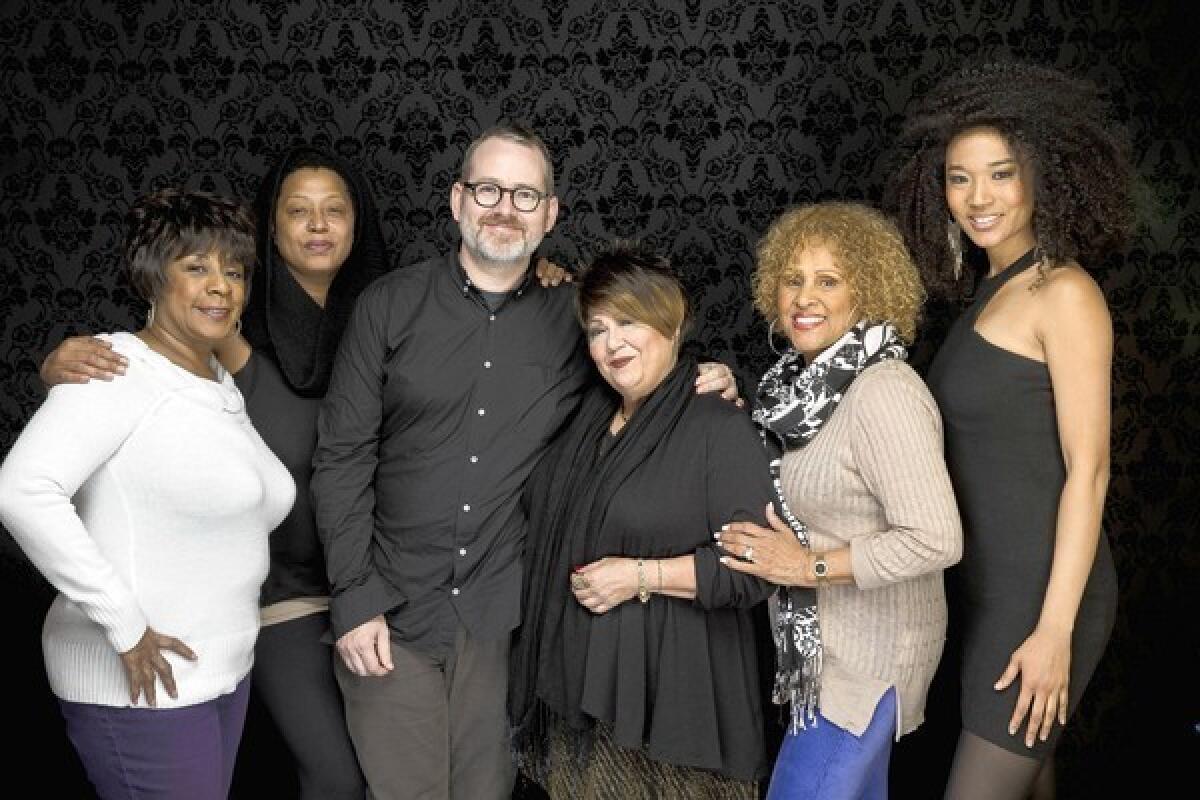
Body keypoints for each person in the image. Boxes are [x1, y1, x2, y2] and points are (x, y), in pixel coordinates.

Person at [310, 122, 737, 800]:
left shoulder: (579, 320)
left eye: (525, 194)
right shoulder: (387, 305)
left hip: (504, 622)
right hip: (391, 614)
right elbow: (341, 458)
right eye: (488, 189)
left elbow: (644, 368)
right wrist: (355, 599)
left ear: (550, 215)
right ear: (456, 201)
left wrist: (709, 376)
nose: (504, 208)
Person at [0, 189, 295, 800]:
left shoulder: (213, 383)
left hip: (217, 673)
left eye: (234, 271)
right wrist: (125, 625)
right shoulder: (114, 371)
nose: (221, 285)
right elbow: (19, 491)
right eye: (197, 267)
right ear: (154, 279)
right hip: (142, 686)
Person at [885, 62, 1128, 799]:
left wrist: (1053, 632)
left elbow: (1089, 471)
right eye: (961, 178)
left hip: (1047, 600)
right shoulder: (988, 293)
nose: (979, 198)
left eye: (1001, 174)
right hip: (990, 597)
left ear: (1041, 178)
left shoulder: (1065, 292)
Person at [509, 245, 775, 798]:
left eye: (629, 322)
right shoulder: (586, 417)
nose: (612, 343)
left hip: (673, 709)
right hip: (582, 702)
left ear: (673, 324)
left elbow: (754, 569)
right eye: (598, 329)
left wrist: (639, 576)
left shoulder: (717, 426)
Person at [717, 202, 963, 799]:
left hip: (868, 663)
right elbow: (809, 475)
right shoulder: (797, 390)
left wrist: (806, 567)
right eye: (793, 279)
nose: (805, 297)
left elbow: (936, 539)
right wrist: (734, 404)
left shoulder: (883, 391)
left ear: (868, 292)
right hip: (823, 662)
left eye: (828, 281)